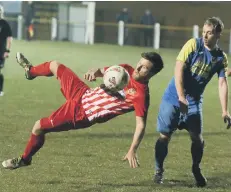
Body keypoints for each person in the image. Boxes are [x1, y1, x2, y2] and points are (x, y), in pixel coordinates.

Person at [2, 51, 164, 170]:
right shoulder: (125, 70)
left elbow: (140, 125)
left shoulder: (141, 95)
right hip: (83, 93)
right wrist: (93, 72)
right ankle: (30, 72)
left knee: (38, 126)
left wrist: (132, 149)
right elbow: (102, 71)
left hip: (81, 114)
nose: (139, 67)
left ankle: (24, 159)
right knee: (55, 65)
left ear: (151, 74)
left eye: (145, 68)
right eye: (140, 63)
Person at [153, 16, 231, 187]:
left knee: (197, 139)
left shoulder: (220, 57)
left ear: (218, 34)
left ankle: (196, 168)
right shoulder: (193, 45)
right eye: (204, 32)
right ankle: (159, 170)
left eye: (209, 33)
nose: (204, 36)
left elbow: (222, 82)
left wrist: (225, 110)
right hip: (173, 97)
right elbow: (178, 68)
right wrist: (181, 97)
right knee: (164, 136)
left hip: (194, 102)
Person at [0, 5, 13, 96]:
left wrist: (7, 51)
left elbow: (9, 39)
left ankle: (0, 90)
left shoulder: (5, 24)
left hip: (1, 52)